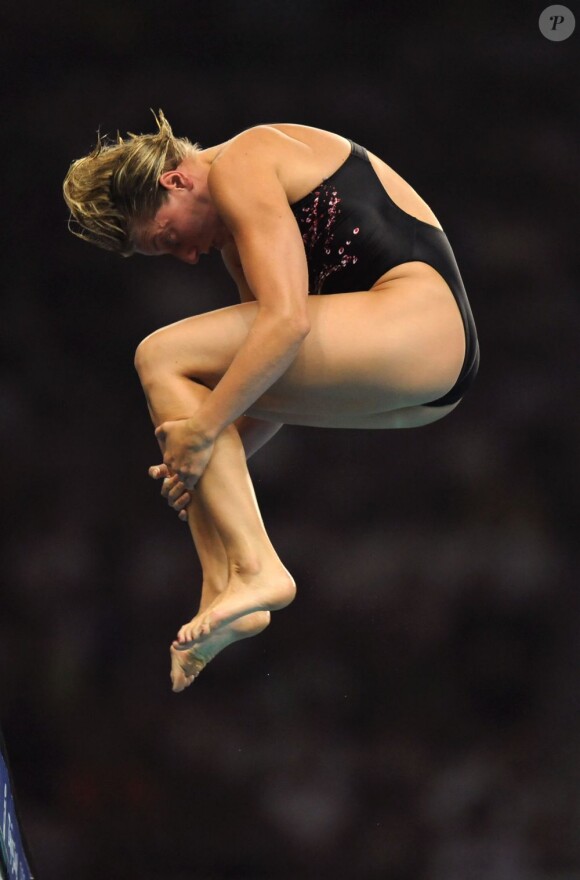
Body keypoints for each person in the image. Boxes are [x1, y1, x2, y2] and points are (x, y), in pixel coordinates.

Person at [63, 111, 479, 692]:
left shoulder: (244, 161)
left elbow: (286, 325)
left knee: (160, 356)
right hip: (425, 378)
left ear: (175, 180)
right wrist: (201, 464)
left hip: (420, 325)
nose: (187, 257)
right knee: (198, 432)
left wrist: (204, 432)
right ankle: (222, 585)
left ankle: (256, 567)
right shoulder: (236, 240)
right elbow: (261, 379)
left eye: (170, 239)